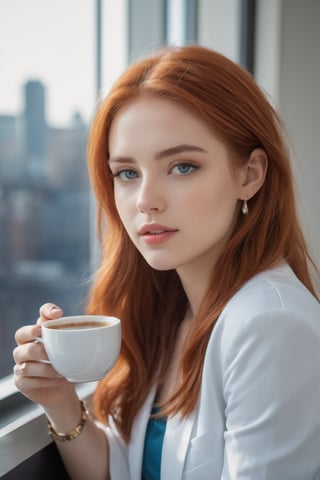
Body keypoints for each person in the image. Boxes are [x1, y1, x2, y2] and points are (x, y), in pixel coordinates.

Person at [13, 45, 320, 480]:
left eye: (182, 167)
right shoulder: (175, 313)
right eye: (127, 173)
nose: (145, 201)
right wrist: (61, 401)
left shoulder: (269, 325)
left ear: (249, 175)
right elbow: (123, 471)